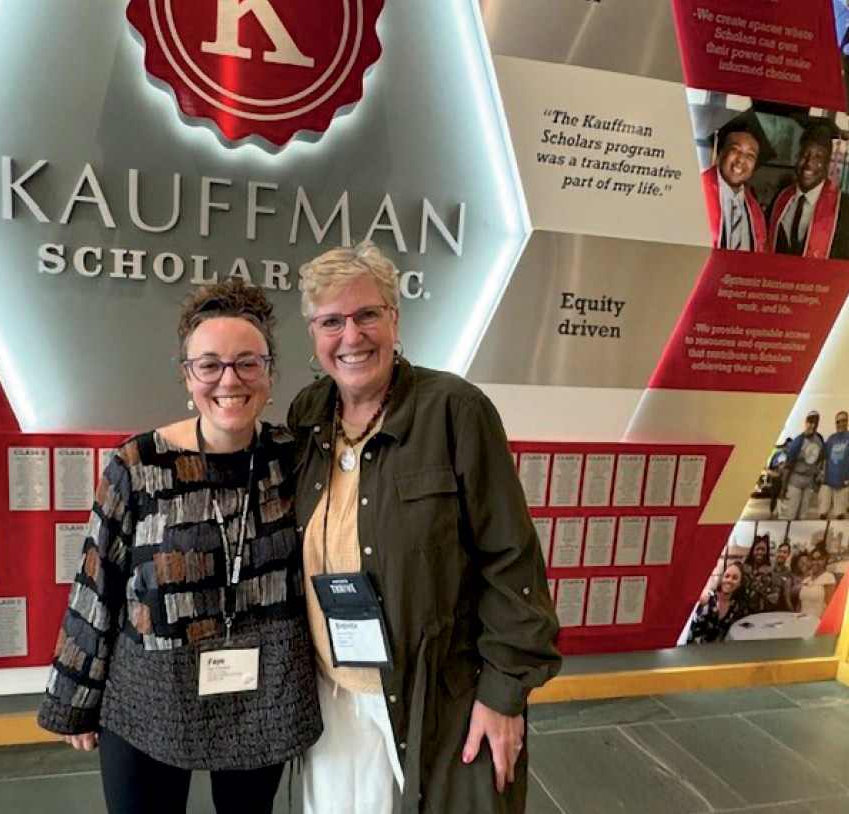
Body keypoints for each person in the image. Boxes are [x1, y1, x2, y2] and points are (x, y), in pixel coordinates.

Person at [288, 242, 561, 814]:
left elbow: (511, 561)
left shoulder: (455, 411)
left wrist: (503, 697)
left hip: (437, 696)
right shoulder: (308, 416)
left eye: (367, 314)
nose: (352, 336)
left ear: (395, 318)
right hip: (333, 696)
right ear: (314, 335)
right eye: (331, 321)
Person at [38, 281, 322, 814]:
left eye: (247, 363)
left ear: (269, 372)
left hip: (263, 693)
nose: (228, 381)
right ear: (187, 375)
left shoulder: (297, 458)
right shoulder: (138, 462)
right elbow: (98, 581)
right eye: (209, 364)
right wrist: (75, 699)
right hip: (150, 695)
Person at [768, 124, 849, 260]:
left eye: (818, 157)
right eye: (805, 154)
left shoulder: (845, 207)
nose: (809, 163)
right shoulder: (781, 198)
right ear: (797, 158)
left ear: (827, 163)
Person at [702, 124, 768, 251]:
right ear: (720, 153)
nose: (742, 159)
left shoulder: (754, 209)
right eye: (735, 150)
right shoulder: (697, 191)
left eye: (751, 155)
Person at [780, 411, 825, 520]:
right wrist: (783, 487)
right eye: (810, 422)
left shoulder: (819, 439)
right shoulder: (798, 440)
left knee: (803, 515)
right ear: (806, 422)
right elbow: (789, 464)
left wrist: (818, 474)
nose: (813, 426)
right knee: (791, 513)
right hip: (796, 479)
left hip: (809, 481)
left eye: (815, 423)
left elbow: (821, 457)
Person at [687, 563, 746, 643]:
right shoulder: (707, 598)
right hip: (694, 649)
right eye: (727, 576)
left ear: (739, 584)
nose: (729, 580)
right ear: (722, 578)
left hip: (719, 652)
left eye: (734, 578)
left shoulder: (737, 606)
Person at [819, 411, 849, 520]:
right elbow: (824, 457)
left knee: (840, 515)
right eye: (838, 421)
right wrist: (822, 475)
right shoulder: (831, 438)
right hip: (828, 481)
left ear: (847, 422)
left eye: (843, 421)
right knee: (823, 513)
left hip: (844, 483)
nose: (840, 424)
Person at [799, 545, 837, 621]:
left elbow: (831, 607)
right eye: (813, 559)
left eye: (819, 559)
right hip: (802, 622)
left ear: (825, 560)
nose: (815, 562)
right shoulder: (806, 580)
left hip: (817, 624)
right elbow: (800, 605)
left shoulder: (829, 578)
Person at [742, 536, 773, 613]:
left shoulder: (770, 572)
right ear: (752, 551)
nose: (760, 552)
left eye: (763, 550)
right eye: (757, 549)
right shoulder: (743, 568)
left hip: (760, 611)